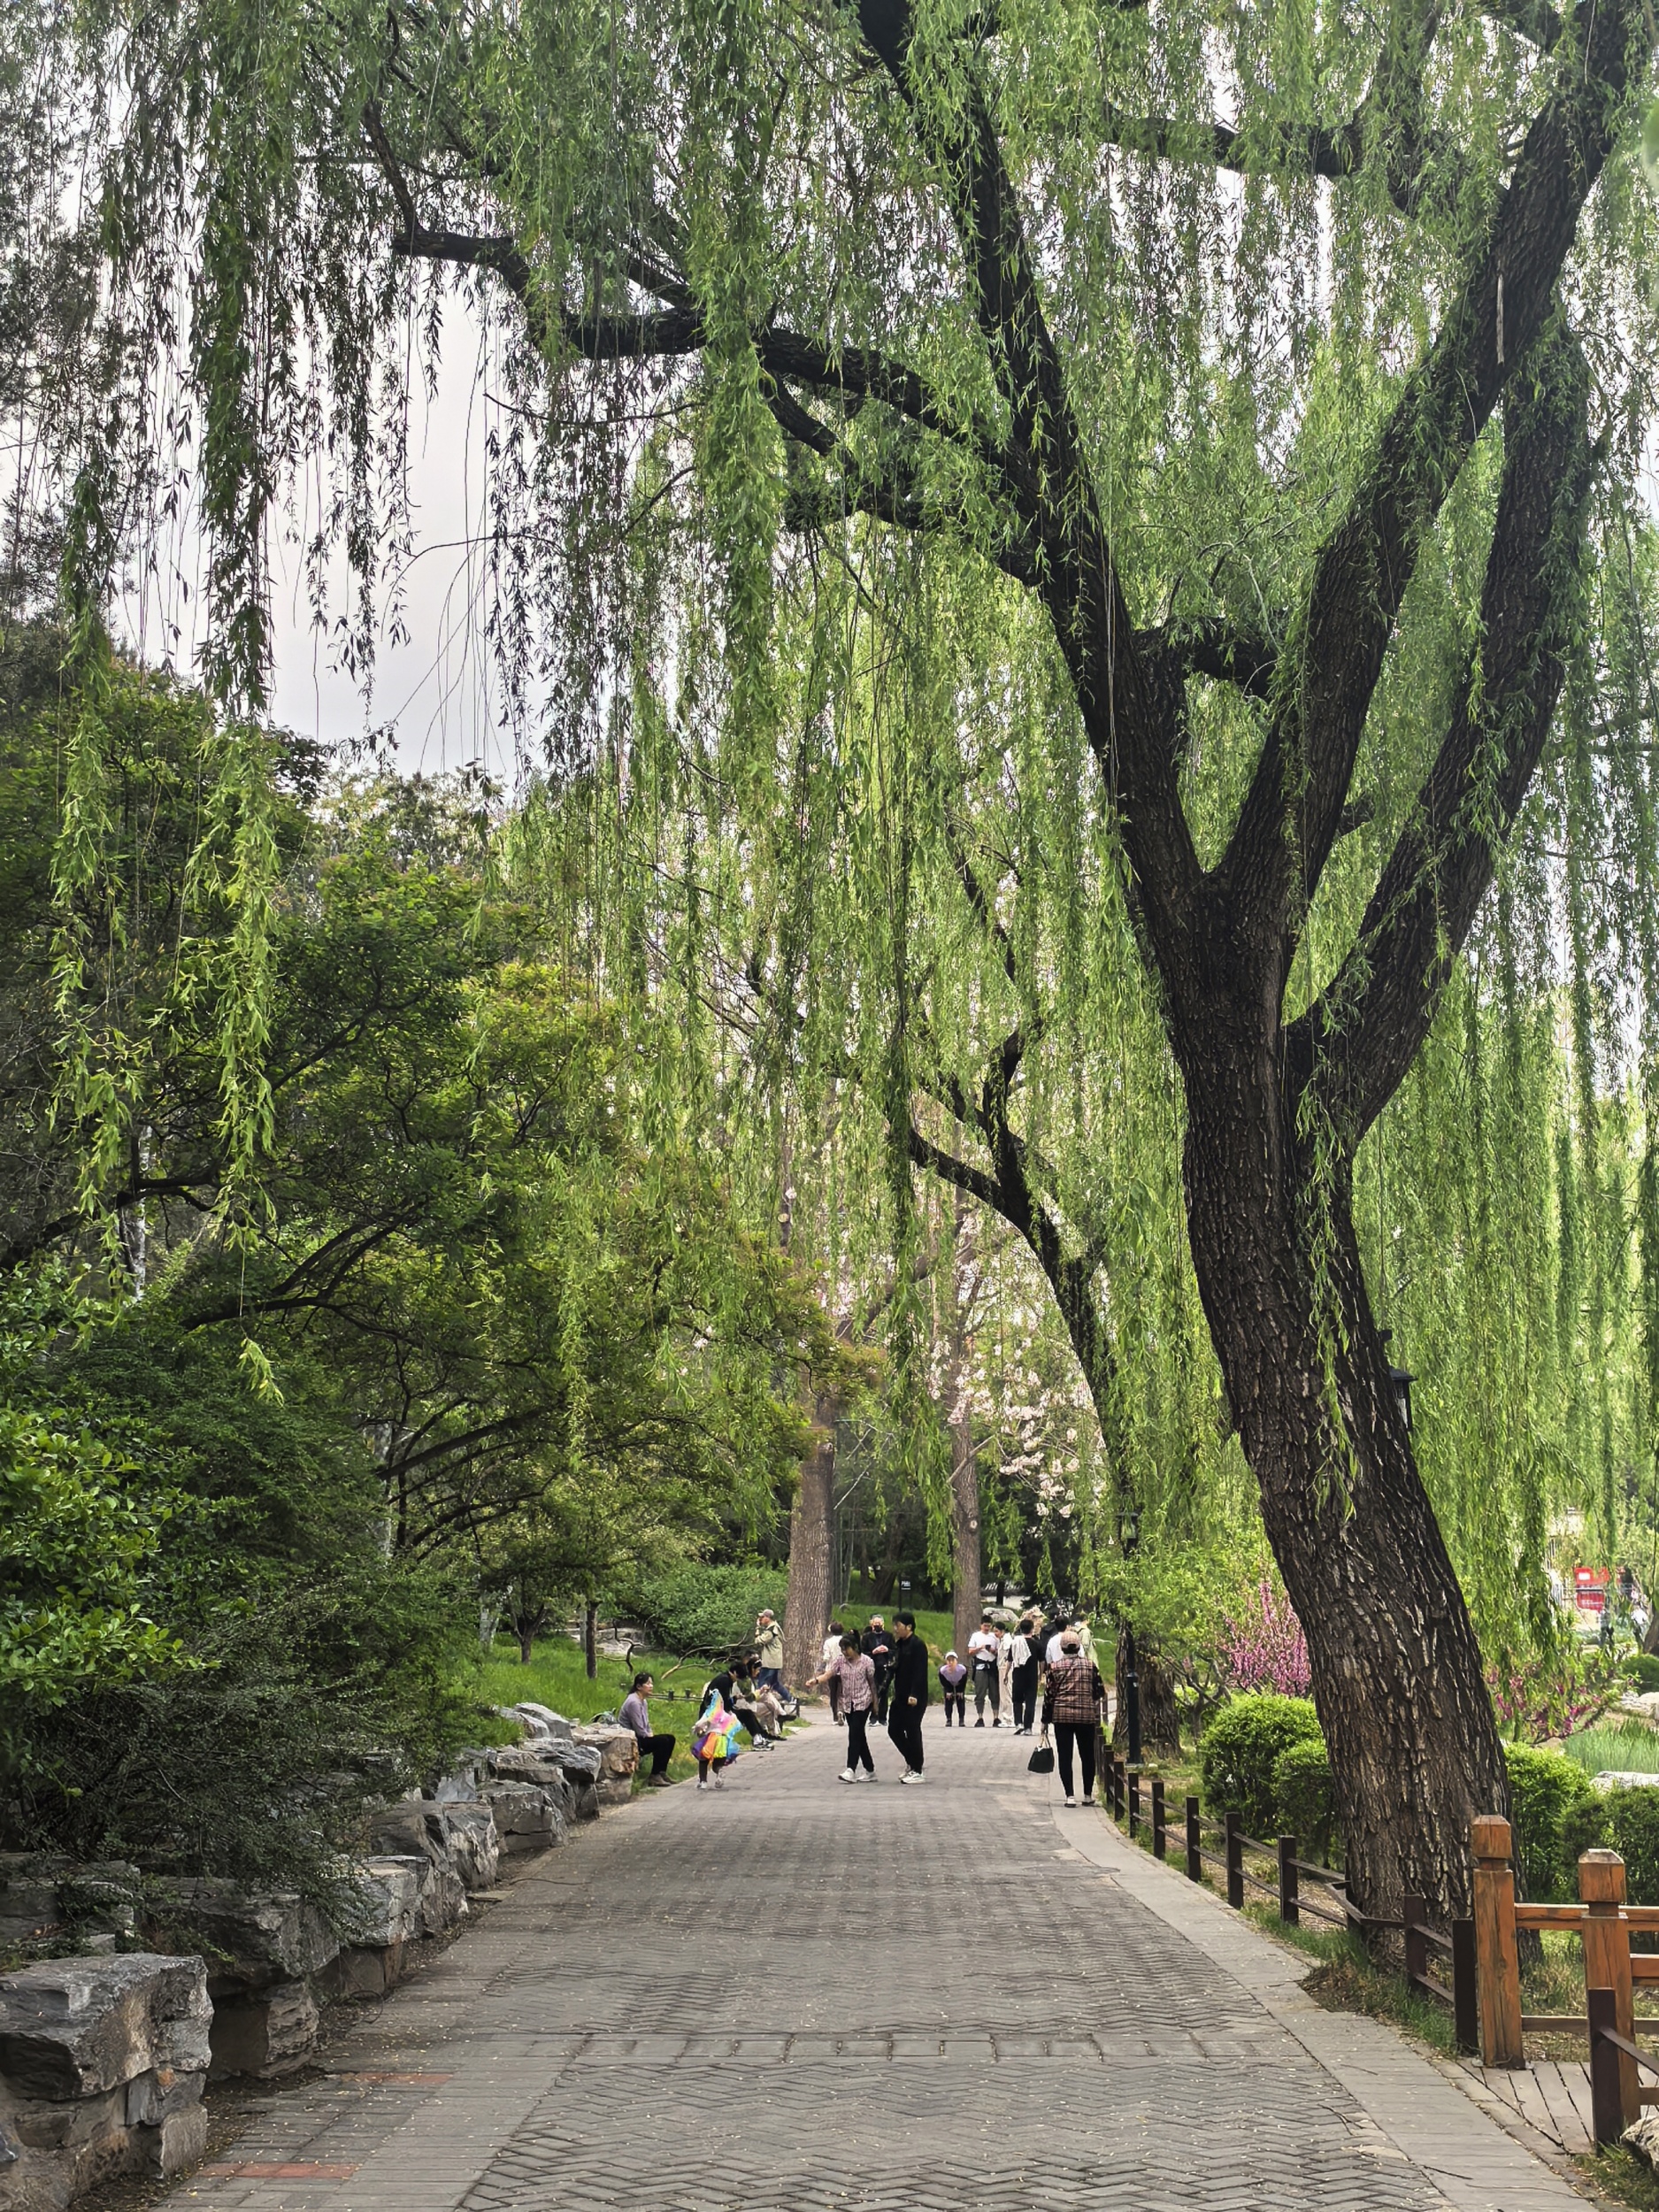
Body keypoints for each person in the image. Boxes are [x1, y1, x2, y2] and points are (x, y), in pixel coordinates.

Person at [1041, 1631, 1105, 1808]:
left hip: (1062, 1717)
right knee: (1087, 1755)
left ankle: (1069, 1795)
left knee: (1065, 1755)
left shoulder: (1055, 1668)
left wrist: (1044, 1720)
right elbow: (1099, 1691)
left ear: (1062, 1648)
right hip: (1086, 1717)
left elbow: (1049, 1696)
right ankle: (1087, 1794)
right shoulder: (1090, 1666)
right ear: (1079, 1647)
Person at [809, 1632, 879, 1780]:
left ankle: (850, 1769)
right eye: (842, 1649)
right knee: (859, 1735)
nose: (845, 1652)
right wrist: (815, 1681)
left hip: (863, 1701)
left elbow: (872, 1683)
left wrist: (875, 1703)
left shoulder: (867, 1662)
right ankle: (870, 1769)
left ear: (855, 1647)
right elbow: (828, 1674)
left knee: (854, 1734)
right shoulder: (840, 1661)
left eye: (847, 1649)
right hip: (847, 1703)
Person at [887, 1611, 929, 1781]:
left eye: (898, 1625)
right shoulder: (899, 1645)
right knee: (894, 1729)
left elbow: (920, 1672)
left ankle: (917, 1770)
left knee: (912, 1730)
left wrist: (914, 1694)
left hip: (914, 1697)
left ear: (909, 1627)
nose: (895, 1629)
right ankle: (911, 1762)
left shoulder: (918, 1645)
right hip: (900, 1695)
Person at [618, 1671, 676, 1785]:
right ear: (639, 1686)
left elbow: (646, 1724)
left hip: (641, 1736)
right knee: (662, 1741)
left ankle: (661, 1772)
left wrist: (651, 1734)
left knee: (670, 1738)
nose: (651, 1686)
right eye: (648, 1684)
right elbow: (638, 1728)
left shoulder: (643, 1701)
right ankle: (654, 1775)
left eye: (651, 1683)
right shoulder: (633, 1702)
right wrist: (648, 1736)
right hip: (632, 1739)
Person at [692, 1680, 744, 1791]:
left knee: (703, 1760)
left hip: (711, 1738)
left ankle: (703, 1781)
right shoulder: (726, 1714)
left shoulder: (710, 1713)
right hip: (723, 1740)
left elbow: (701, 1723)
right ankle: (719, 1772)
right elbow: (736, 1723)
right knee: (717, 1763)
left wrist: (696, 1729)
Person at [967, 1615, 1002, 1727]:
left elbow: (1000, 1652)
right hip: (980, 1666)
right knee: (980, 1693)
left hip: (992, 1667)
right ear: (981, 1625)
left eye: (988, 1626)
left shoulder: (994, 1637)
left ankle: (996, 1717)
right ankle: (980, 1717)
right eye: (985, 1626)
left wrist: (992, 1651)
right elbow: (970, 1651)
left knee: (994, 1693)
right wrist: (980, 1648)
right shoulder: (976, 1636)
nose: (986, 1628)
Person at [1007, 1616, 1039, 1734]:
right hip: (1032, 1676)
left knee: (1017, 1700)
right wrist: (1041, 1675)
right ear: (1032, 1629)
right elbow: (1042, 1661)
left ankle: (1018, 1723)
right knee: (1030, 1701)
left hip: (1018, 1675)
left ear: (1020, 1629)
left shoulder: (1015, 1643)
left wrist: (1005, 1674)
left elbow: (1009, 1660)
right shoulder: (1036, 1644)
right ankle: (1028, 1727)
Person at [862, 1616, 895, 1724]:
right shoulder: (867, 1637)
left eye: (879, 1624)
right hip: (872, 1666)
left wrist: (887, 1650)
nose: (877, 1626)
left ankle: (883, 1717)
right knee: (872, 1692)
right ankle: (873, 1716)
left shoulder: (889, 1636)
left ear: (883, 1624)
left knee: (884, 1692)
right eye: (875, 1624)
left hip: (885, 1666)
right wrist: (873, 1652)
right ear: (872, 1625)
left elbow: (895, 1650)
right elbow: (862, 1653)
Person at [820, 1621, 847, 1722]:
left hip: (831, 1670)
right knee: (843, 1693)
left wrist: (824, 1660)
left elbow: (826, 1657)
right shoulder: (845, 1640)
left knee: (833, 1693)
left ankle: (835, 1716)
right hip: (844, 1670)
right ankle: (842, 1711)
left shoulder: (828, 1642)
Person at [754, 1609, 785, 1691]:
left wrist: (757, 1628)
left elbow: (759, 1641)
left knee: (761, 1683)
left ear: (767, 1618)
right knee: (775, 1684)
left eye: (762, 1617)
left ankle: (757, 1701)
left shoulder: (771, 1630)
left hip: (770, 1662)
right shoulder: (773, 1627)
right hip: (774, 1661)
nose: (760, 1619)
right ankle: (791, 1699)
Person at [937, 1651, 968, 1725]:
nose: (951, 1663)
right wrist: (948, 1690)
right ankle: (949, 1719)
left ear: (956, 1661)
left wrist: (960, 1690)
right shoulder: (943, 1671)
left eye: (952, 1660)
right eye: (949, 1661)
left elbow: (964, 1679)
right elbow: (943, 1681)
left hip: (959, 1683)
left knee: (960, 1698)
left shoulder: (962, 1669)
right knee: (948, 1699)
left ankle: (961, 1720)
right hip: (948, 1683)